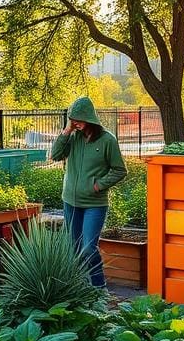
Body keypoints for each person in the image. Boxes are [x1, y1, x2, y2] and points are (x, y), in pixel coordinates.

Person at [50, 96, 127, 288]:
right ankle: (80, 289)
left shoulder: (107, 140)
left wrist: (98, 185)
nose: (75, 122)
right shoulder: (73, 137)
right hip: (70, 201)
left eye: (78, 118)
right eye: (72, 119)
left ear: (89, 117)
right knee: (74, 249)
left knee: (88, 248)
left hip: (95, 204)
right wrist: (66, 131)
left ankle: (99, 288)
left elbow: (120, 170)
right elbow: (56, 155)